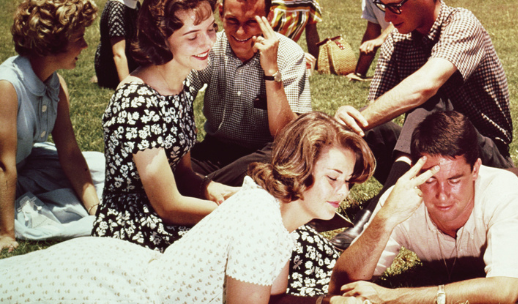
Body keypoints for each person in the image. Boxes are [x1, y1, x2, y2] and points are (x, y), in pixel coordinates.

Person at [0, 111, 375, 304]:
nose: (342, 191)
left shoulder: (274, 210)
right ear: (301, 167)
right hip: (123, 292)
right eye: (333, 177)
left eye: (348, 180)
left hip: (129, 269)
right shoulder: (263, 226)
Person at [332, 0, 513, 249]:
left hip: (484, 155)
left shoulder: (462, 23)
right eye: (383, 7)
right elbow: (378, 109)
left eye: (395, 7)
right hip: (425, 149)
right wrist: (348, 123)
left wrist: (362, 119)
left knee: (429, 108)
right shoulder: (397, 39)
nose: (388, 18)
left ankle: (375, 214)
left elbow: (426, 86)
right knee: (371, 125)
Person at [331, 111, 518, 304]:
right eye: (430, 179)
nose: (442, 194)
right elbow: (344, 283)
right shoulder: (401, 199)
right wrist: (384, 218)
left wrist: (393, 297)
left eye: (454, 180)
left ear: (475, 169)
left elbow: (506, 291)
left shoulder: (502, 191)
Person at [91, 0, 236, 253]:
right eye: (192, 36)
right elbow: (168, 206)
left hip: (170, 217)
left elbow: (182, 173)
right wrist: (239, 216)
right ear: (161, 39)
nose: (207, 42)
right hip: (135, 229)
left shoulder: (179, 87)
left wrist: (214, 189)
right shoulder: (137, 100)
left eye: (210, 29)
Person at [0, 0, 104, 252]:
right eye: (79, 38)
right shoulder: (7, 87)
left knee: (103, 167)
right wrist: (6, 234)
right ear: (51, 42)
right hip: (7, 173)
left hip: (26, 165)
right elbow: (4, 166)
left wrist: (94, 208)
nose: (85, 45)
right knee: (38, 218)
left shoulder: (55, 83)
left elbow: (69, 152)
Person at [188, 0, 311, 186]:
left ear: (269, 17)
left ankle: (199, 187)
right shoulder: (209, 47)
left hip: (264, 153)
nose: (240, 32)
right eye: (232, 20)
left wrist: (271, 71)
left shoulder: (289, 54)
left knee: (281, 159)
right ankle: (212, 188)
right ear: (220, 13)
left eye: (252, 22)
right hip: (215, 150)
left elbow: (287, 136)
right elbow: (179, 90)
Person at [93, 0, 161, 89]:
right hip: (114, 70)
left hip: (131, 62)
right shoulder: (117, 8)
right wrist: (126, 88)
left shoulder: (133, 2)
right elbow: (118, 54)